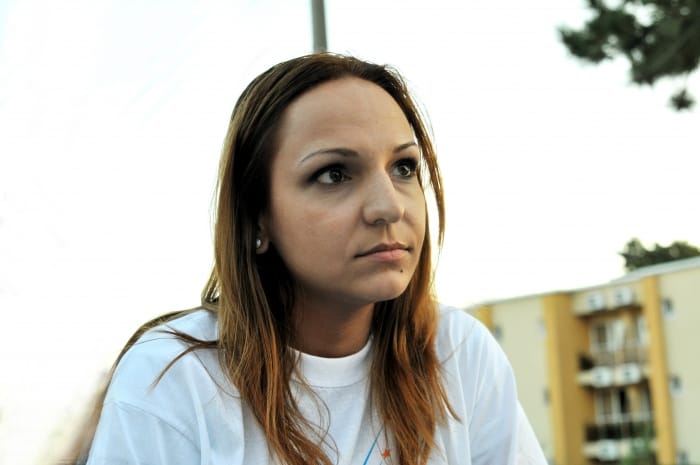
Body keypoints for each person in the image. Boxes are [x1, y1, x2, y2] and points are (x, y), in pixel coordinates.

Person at [66, 53, 547, 465]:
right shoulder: (175, 378)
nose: (389, 207)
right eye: (334, 174)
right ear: (258, 218)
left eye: (404, 167)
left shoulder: (457, 354)